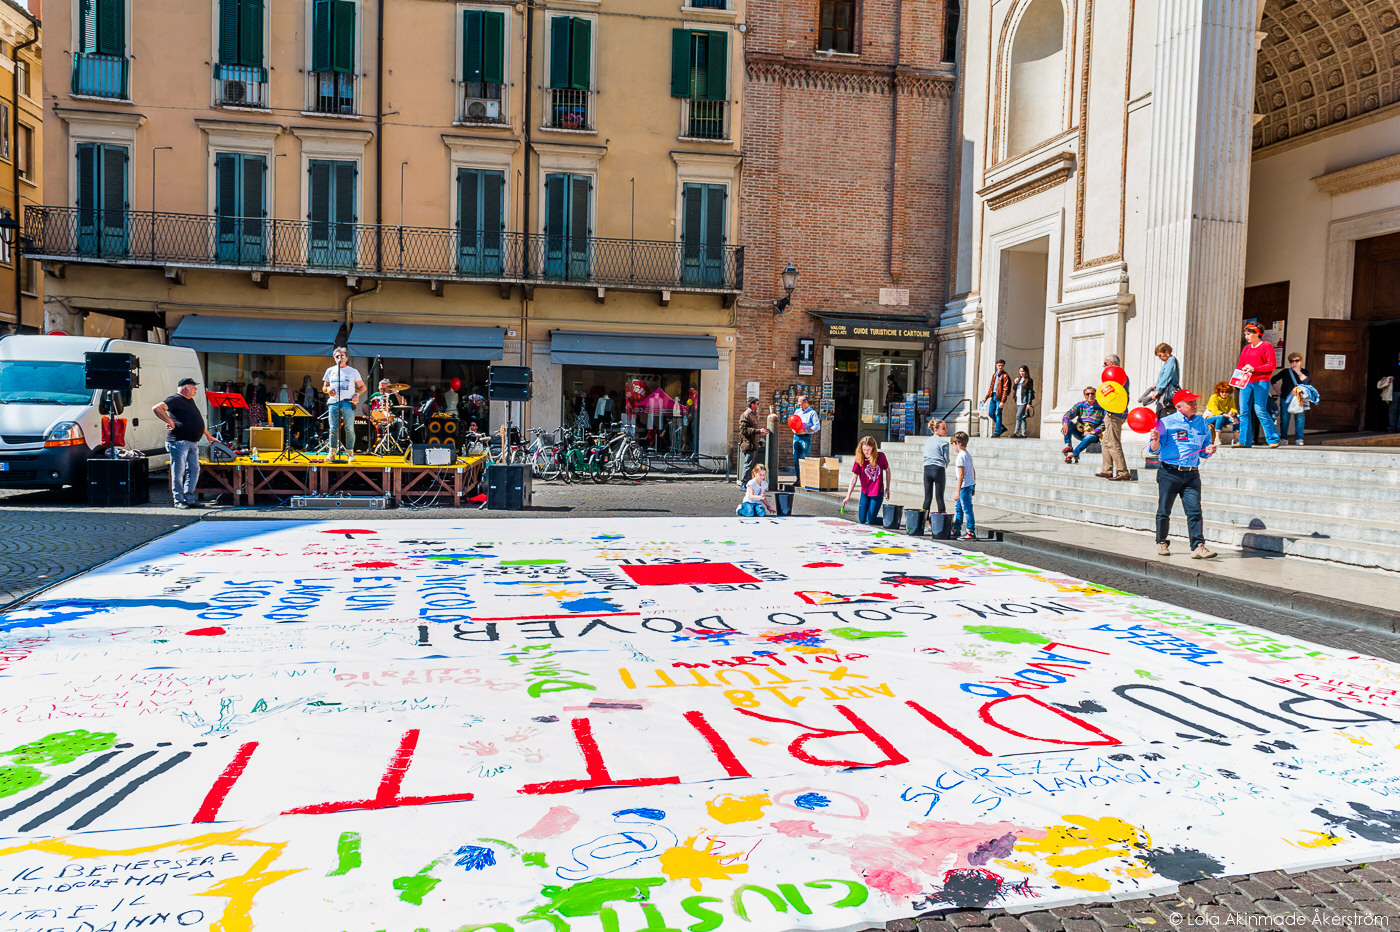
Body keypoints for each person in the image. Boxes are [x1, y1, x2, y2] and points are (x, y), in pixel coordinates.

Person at [1148, 389, 1218, 559]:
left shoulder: (1201, 422)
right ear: (1179, 406)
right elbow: (1153, 449)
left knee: (1194, 511)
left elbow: (1204, 450)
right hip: (1169, 472)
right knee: (1164, 510)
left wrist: (1209, 450)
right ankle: (1162, 541)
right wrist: (1155, 440)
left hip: (1192, 474)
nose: (1195, 405)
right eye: (1190, 402)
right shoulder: (1166, 422)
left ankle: (1198, 546)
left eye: (1195, 401)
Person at [152, 377, 216, 510]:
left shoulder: (189, 400)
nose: (195, 389)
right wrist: (169, 421)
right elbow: (157, 408)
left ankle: (189, 498)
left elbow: (196, 420)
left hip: (192, 442)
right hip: (179, 441)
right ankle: (179, 500)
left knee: (194, 469)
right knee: (178, 471)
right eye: (193, 387)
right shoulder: (175, 399)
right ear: (185, 387)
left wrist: (208, 435)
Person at [1235, 324, 1280, 448]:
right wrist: (1242, 370)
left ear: (1257, 333)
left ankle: (1273, 439)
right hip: (1246, 382)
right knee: (1244, 411)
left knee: (1259, 409)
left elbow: (1271, 365)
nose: (1246, 336)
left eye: (1248, 334)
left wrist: (1254, 369)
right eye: (1245, 334)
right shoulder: (1246, 348)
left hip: (1261, 381)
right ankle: (1244, 441)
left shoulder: (1267, 346)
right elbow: (1239, 365)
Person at [322, 347, 366, 463]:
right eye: (337, 356)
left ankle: (350, 453)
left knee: (349, 428)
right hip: (333, 401)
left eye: (342, 356)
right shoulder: (330, 370)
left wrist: (356, 394)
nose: (339, 358)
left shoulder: (353, 371)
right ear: (334, 358)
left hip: (347, 401)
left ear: (346, 358)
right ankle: (332, 452)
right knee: (333, 428)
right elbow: (324, 387)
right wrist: (328, 388)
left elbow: (363, 386)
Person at [841, 435, 891, 526]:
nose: (866, 452)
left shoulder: (881, 456)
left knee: (871, 519)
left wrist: (887, 489)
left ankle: (890, 520)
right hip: (865, 492)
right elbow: (854, 479)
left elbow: (888, 471)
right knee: (862, 520)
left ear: (873, 448)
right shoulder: (859, 459)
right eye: (864, 449)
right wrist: (848, 496)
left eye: (868, 449)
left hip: (877, 492)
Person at [1096, 354, 1131, 481]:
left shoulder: (1119, 376)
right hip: (1111, 412)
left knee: (1113, 443)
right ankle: (1107, 470)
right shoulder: (1118, 376)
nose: (1103, 366)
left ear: (1112, 364)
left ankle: (1123, 472)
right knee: (1105, 442)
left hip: (1115, 413)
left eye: (1105, 363)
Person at [1271, 352, 1313, 445]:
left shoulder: (1305, 372)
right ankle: (1284, 438)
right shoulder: (1286, 371)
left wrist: (1298, 372)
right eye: (1292, 361)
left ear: (1301, 361)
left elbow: (1307, 382)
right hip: (1285, 398)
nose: (1294, 363)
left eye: (1296, 361)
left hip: (1299, 399)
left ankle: (1299, 439)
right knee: (1285, 419)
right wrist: (1278, 391)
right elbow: (1273, 379)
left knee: (1300, 419)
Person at [1061, 387, 1105, 464]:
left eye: (1092, 393)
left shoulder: (1102, 407)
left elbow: (1105, 424)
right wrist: (1065, 423)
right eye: (1087, 394)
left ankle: (1073, 454)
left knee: (1089, 437)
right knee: (1068, 422)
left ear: (1096, 394)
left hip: (1093, 435)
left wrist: (1092, 432)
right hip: (1080, 432)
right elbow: (1069, 413)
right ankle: (1069, 446)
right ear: (1084, 396)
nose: (1090, 395)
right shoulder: (1080, 405)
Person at [950, 431, 976, 541]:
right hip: (969, 484)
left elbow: (961, 475)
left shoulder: (960, 457)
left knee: (966, 509)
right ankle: (956, 528)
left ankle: (970, 531)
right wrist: (973, 485)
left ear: (958, 443)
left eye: (953, 444)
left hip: (963, 486)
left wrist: (957, 491)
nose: (953, 447)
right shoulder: (968, 455)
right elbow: (973, 471)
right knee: (959, 508)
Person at [921, 418, 950, 515]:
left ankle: (924, 521)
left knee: (927, 497)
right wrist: (945, 464)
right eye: (943, 428)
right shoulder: (944, 442)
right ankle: (942, 520)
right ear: (936, 430)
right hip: (938, 469)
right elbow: (946, 458)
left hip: (927, 469)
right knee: (939, 497)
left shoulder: (927, 441)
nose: (946, 430)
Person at [737, 397, 768, 488]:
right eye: (757, 404)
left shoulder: (753, 414)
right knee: (748, 465)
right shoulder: (746, 414)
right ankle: (743, 484)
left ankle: (749, 483)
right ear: (752, 405)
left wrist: (762, 430)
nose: (758, 405)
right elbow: (743, 430)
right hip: (749, 444)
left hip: (754, 443)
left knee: (751, 465)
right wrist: (758, 431)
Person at [1142, 343, 1180, 417]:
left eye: (1160, 355)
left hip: (1166, 394)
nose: (1160, 358)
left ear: (1166, 352)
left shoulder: (1171, 361)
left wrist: (1158, 390)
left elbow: (1166, 376)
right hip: (1165, 393)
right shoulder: (1169, 362)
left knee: (1163, 415)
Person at [791, 394, 819, 480]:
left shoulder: (812, 413)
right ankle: (798, 479)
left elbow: (817, 426)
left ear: (805, 402)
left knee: (803, 459)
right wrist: (793, 430)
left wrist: (805, 430)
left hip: (805, 438)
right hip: (796, 437)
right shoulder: (797, 412)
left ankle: (803, 479)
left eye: (800, 403)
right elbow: (793, 422)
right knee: (796, 459)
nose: (799, 405)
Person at [982, 359, 1011, 438]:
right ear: (996, 365)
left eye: (1002, 365)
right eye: (999, 365)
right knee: (991, 413)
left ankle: (997, 432)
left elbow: (1005, 389)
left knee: (998, 414)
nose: (1000, 367)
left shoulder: (1005, 376)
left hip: (1000, 398)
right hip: (993, 396)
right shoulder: (995, 375)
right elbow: (991, 387)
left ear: (1004, 366)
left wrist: (1003, 401)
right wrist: (986, 398)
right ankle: (1002, 427)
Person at [1012, 366, 1035, 438]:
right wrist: (1015, 383)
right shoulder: (1019, 379)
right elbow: (1015, 389)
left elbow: (1030, 392)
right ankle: (1024, 434)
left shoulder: (1029, 380)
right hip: (1018, 400)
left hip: (1024, 401)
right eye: (1020, 371)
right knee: (1022, 417)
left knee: (1018, 416)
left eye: (1023, 371)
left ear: (1026, 372)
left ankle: (1015, 433)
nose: (1021, 373)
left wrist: (1029, 403)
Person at [1380, 351, 1400, 431]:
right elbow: (1386, 376)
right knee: (1393, 409)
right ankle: (1391, 427)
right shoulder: (1393, 366)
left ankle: (1399, 428)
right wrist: (1389, 379)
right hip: (1394, 391)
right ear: (1398, 358)